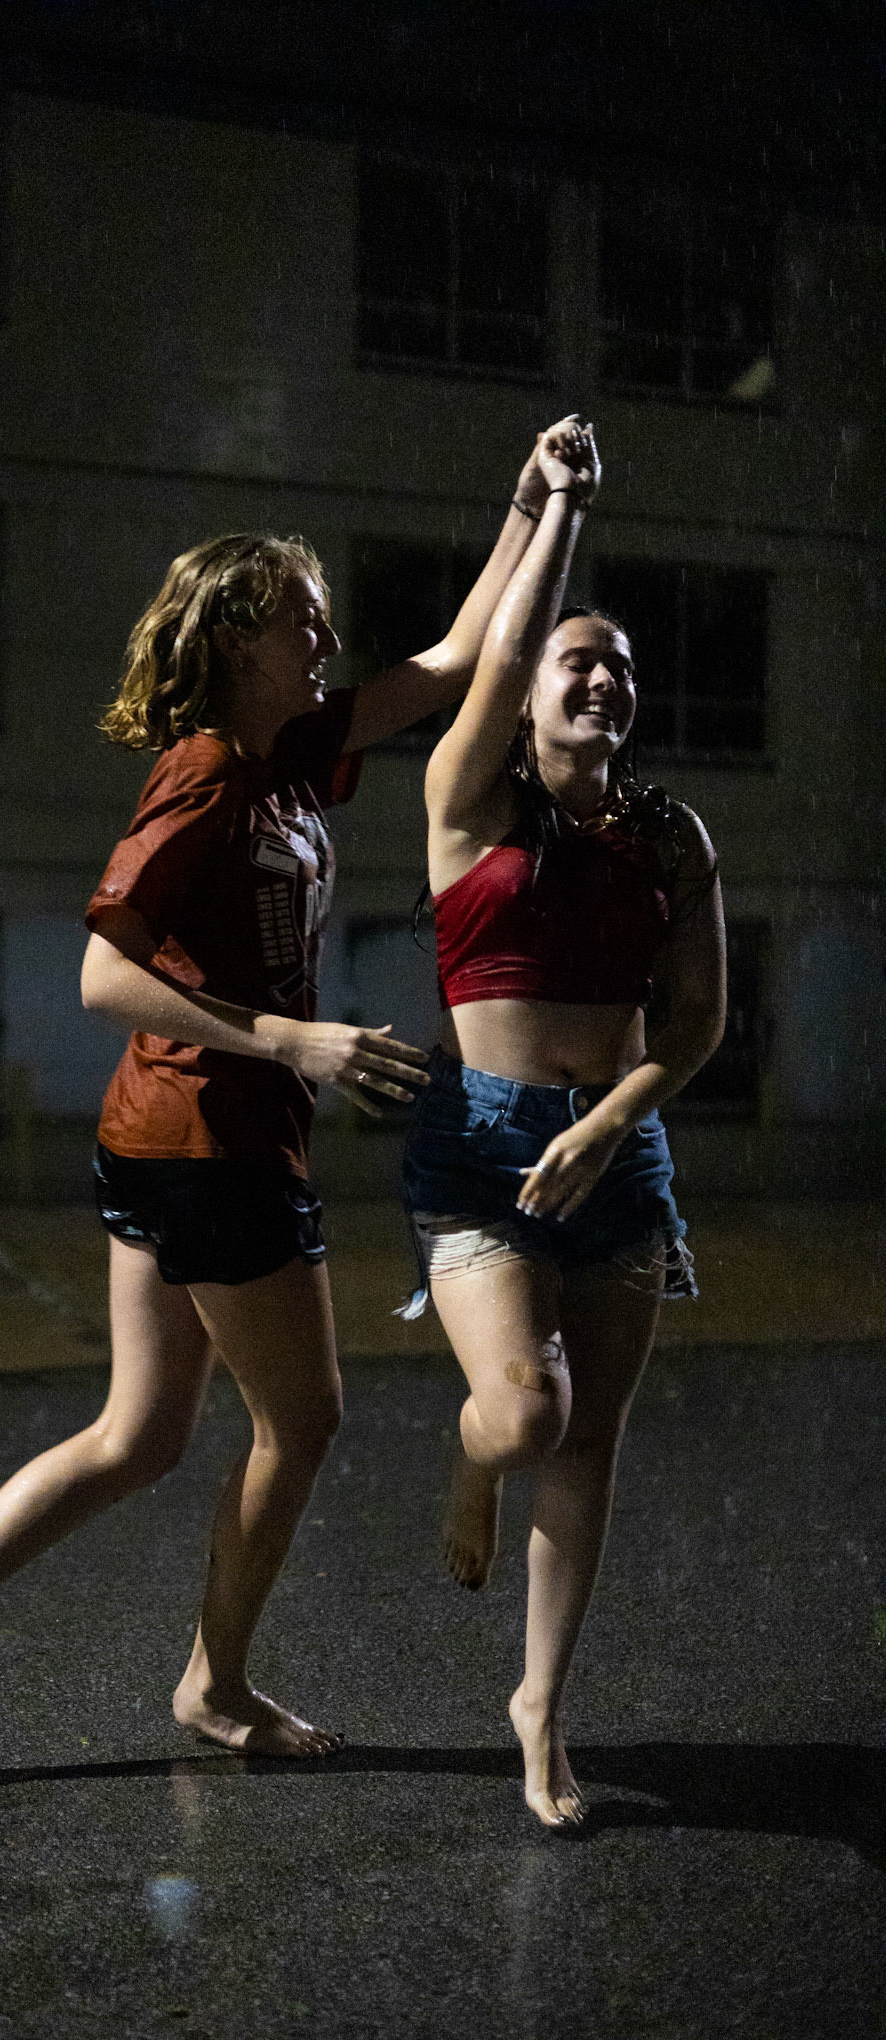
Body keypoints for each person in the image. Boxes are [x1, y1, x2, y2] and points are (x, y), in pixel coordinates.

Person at [0, 418, 589, 1762]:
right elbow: (98, 979)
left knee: (138, 1434)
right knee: (301, 1420)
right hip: (209, 1141)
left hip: (168, 1135)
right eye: (299, 621)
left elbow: (451, 660)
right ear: (236, 635)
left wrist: (528, 503)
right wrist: (289, 1042)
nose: (323, 637)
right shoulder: (199, 774)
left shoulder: (292, 753)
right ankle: (214, 1685)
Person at [400, 420, 725, 1826]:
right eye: (573, 659)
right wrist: (555, 513)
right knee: (529, 1416)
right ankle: (476, 1463)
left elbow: (701, 1024)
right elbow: (498, 649)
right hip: (481, 1147)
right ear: (523, 694)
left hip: (619, 1151)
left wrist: (614, 1121)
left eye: (620, 665)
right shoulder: (467, 809)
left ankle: (539, 1711)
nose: (599, 674)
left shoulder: (670, 837)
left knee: (590, 1444)